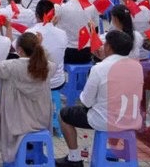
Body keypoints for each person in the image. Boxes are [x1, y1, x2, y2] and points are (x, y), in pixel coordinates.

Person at [56, 30, 143, 167]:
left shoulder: (99, 68)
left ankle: (74, 158)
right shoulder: (137, 67)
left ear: (108, 47)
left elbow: (86, 102)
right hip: (131, 119)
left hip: (105, 120)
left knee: (64, 114)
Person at [0, 30, 55, 167]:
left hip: (15, 122)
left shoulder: (11, 66)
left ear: (20, 50)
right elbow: (48, 60)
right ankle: (29, 153)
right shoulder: (47, 67)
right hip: (41, 120)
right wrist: (40, 46)